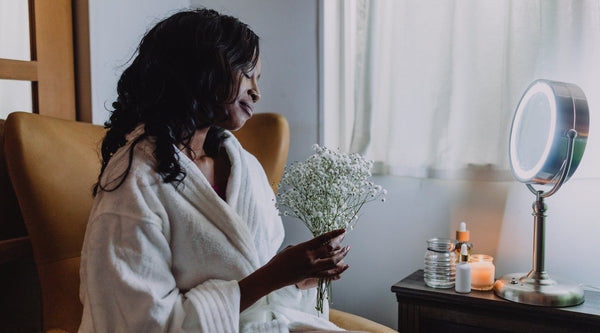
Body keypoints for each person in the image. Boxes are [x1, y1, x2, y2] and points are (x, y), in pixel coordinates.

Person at [78, 8, 350, 333]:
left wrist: (294, 279)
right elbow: (141, 323)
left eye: (258, 79)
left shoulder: (244, 165)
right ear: (199, 70)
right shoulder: (134, 180)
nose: (256, 92)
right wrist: (273, 276)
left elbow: (257, 278)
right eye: (246, 74)